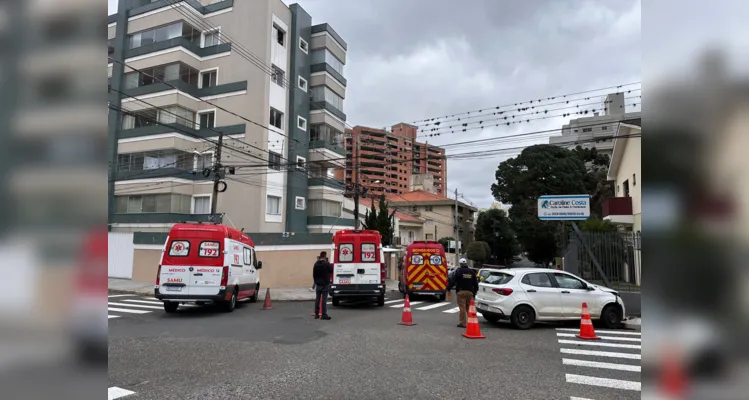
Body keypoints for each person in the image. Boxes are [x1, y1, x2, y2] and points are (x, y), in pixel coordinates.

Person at [446, 258, 478, 328]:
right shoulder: (471, 272)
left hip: (461, 292)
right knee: (469, 308)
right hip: (470, 292)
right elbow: (475, 284)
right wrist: (474, 293)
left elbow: (453, 280)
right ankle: (472, 322)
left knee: (462, 307)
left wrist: (448, 288)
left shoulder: (459, 271)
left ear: (460, 264)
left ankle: (463, 323)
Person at [312, 251, 333, 320]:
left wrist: (315, 282)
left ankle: (316, 314)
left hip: (318, 283)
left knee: (317, 299)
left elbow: (314, 274)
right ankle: (324, 314)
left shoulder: (316, 264)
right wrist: (328, 262)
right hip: (325, 283)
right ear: (325, 256)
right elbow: (331, 270)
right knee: (324, 300)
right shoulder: (326, 263)